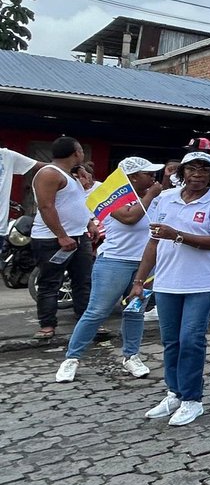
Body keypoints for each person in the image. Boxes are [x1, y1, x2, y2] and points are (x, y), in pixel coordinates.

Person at [132, 151, 210, 427]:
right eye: (191, 169)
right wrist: (139, 281)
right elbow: (153, 242)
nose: (197, 175)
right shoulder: (165, 199)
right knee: (171, 341)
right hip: (168, 282)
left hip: (204, 282)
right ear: (182, 173)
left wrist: (176, 235)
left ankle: (192, 400)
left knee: (191, 339)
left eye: (204, 170)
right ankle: (174, 393)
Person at [55, 157, 164, 383]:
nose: (154, 177)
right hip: (114, 262)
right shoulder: (109, 195)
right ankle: (72, 358)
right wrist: (151, 194)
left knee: (135, 311)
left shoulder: (157, 198)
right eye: (148, 173)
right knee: (97, 312)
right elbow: (129, 217)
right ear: (133, 177)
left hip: (145, 264)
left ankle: (131, 356)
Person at [30, 137, 99, 339]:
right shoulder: (50, 173)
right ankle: (47, 325)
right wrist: (61, 235)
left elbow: (75, 203)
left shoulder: (72, 175)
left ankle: (85, 322)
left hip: (79, 236)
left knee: (83, 281)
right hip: (52, 239)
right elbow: (46, 206)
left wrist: (89, 223)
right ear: (76, 152)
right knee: (50, 282)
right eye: (82, 151)